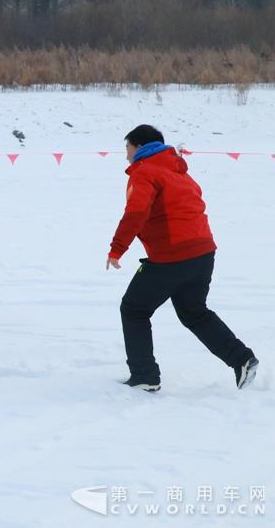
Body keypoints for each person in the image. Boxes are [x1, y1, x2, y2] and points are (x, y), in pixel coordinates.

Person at [107, 124, 259, 392]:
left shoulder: (145, 172)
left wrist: (117, 248)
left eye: (127, 148)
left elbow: (136, 212)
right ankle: (242, 359)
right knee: (194, 312)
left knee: (134, 309)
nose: (126, 155)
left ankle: (144, 376)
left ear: (140, 147)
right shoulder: (179, 172)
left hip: (172, 256)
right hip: (202, 252)